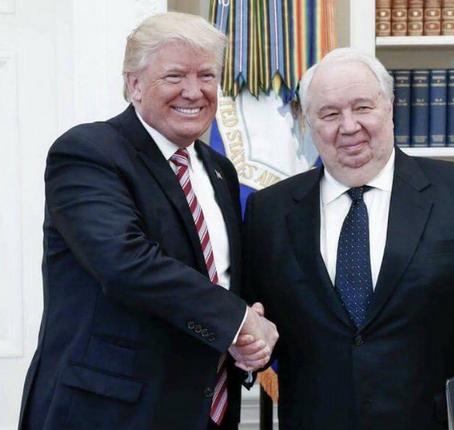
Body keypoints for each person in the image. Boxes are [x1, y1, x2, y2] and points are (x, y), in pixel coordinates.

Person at [243, 48, 454, 430]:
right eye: (329, 114)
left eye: (362, 107)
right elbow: (259, 326)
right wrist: (249, 347)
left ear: (390, 107)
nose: (348, 126)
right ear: (307, 122)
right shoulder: (270, 212)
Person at [18, 12, 277, 430]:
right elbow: (125, 262)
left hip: (205, 409)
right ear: (134, 84)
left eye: (207, 75)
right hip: (111, 412)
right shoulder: (88, 153)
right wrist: (238, 321)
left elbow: (222, 278)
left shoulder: (218, 170)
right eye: (174, 76)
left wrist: (244, 344)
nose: (194, 91)